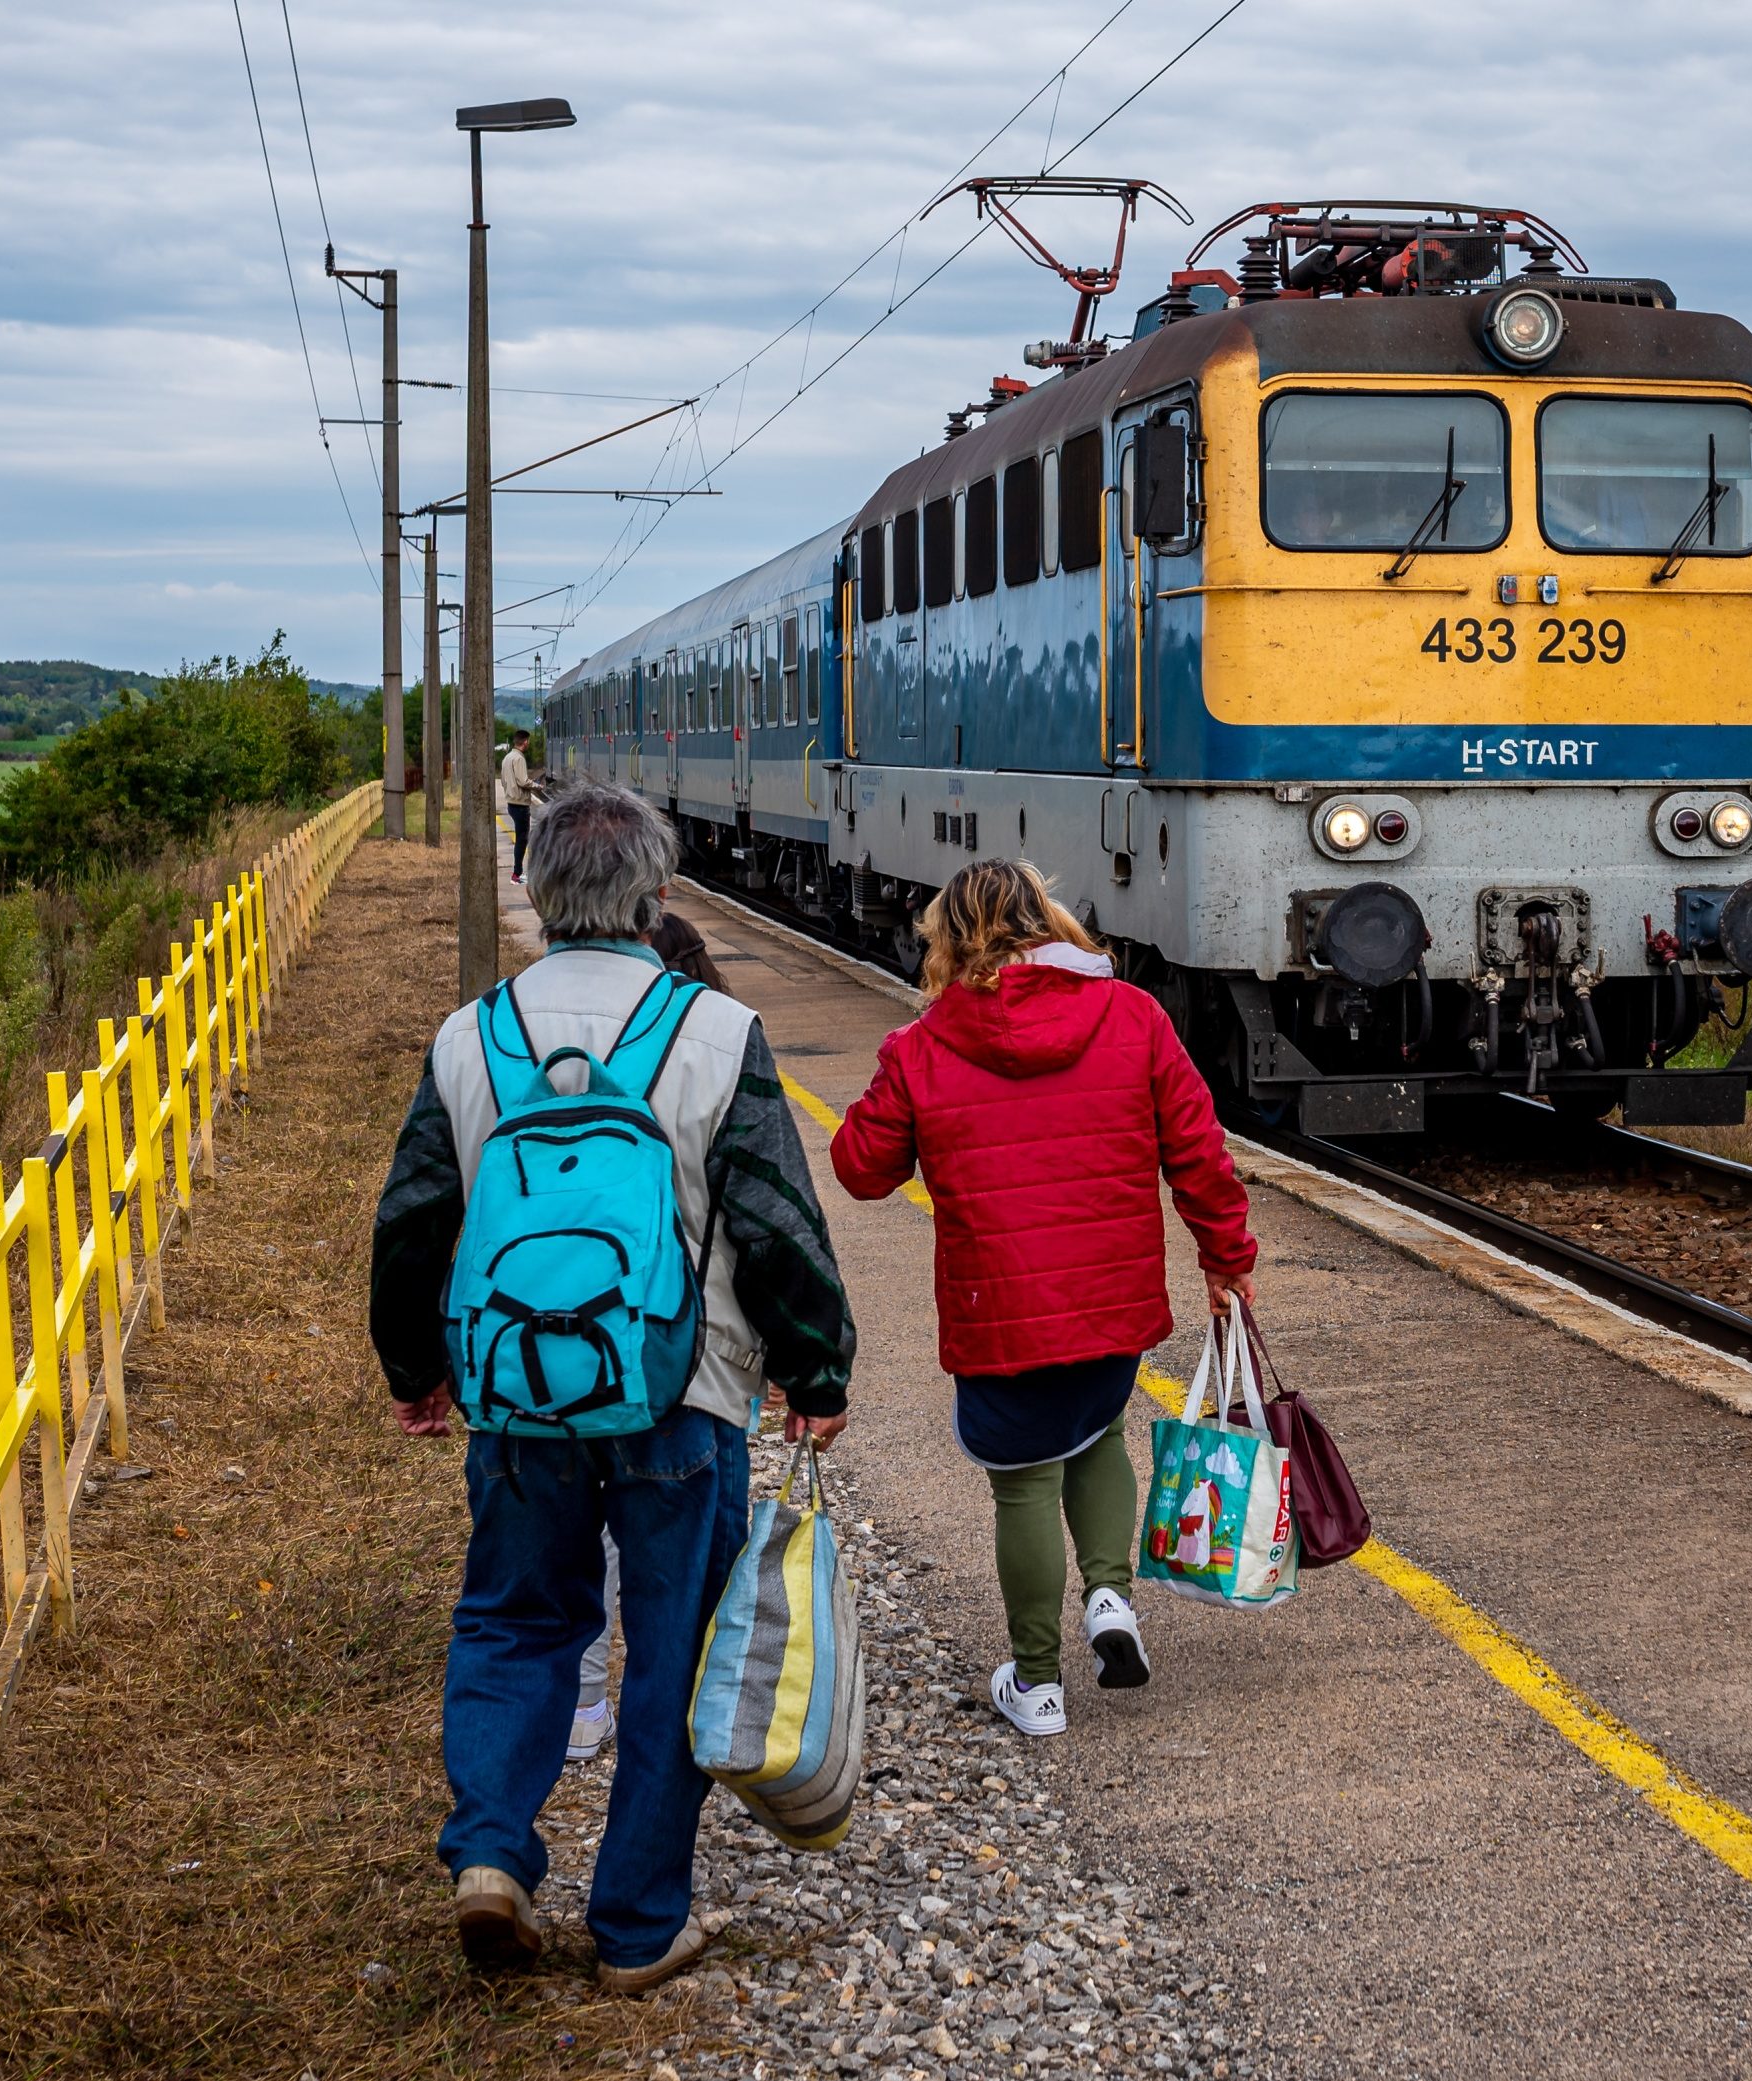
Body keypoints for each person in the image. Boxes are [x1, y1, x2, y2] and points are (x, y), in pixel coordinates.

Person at [370, 779, 856, 1992]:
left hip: (518, 1396)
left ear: (535, 890)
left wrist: (417, 1367)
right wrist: (817, 1367)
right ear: (654, 891)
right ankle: (639, 1921)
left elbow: (415, 1218)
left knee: (515, 1619)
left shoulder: (468, 1034)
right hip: (681, 1397)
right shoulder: (712, 1031)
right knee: (673, 1649)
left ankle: (490, 1853)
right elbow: (776, 1223)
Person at [830, 861, 1256, 1739]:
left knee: (1023, 1482)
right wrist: (1227, 1257)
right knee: (1099, 1431)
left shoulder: (922, 1046)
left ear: (949, 942)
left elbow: (861, 1171)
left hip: (1000, 1306)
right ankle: (1109, 1601)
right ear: (1051, 923)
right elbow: (1198, 1150)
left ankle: (1037, 1684)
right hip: (1113, 1295)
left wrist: (898, 1080)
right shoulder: (1133, 1015)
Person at [497, 731, 538, 881]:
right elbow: (523, 781)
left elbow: (503, 781)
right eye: (528, 741)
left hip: (511, 803)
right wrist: (537, 786)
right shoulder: (519, 758)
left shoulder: (507, 757)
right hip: (520, 804)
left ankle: (518, 872)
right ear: (525, 742)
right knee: (522, 840)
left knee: (520, 838)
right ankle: (517, 874)